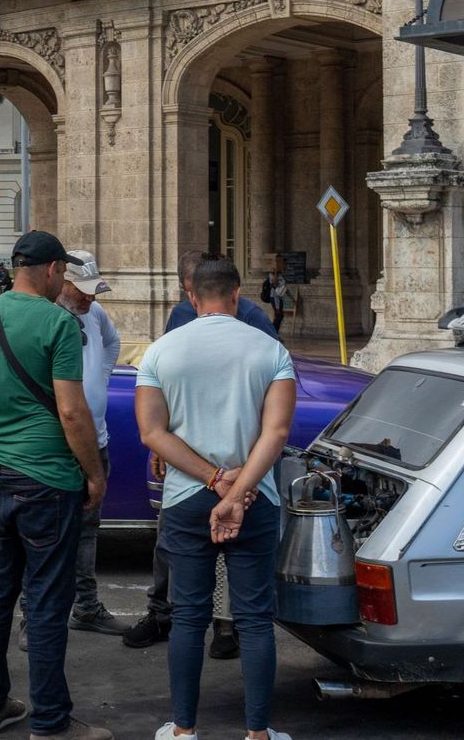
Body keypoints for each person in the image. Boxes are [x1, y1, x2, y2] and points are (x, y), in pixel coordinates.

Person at [0, 229, 113, 740]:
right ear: (53, 270)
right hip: (48, 480)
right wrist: (94, 474)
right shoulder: (59, 323)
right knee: (48, 601)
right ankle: (51, 721)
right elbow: (72, 412)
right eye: (63, 272)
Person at [136, 252, 298, 740]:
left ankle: (184, 730)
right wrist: (239, 488)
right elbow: (277, 432)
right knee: (255, 619)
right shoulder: (270, 350)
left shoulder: (161, 352)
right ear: (236, 295)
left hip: (188, 497)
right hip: (255, 499)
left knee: (189, 617)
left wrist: (214, 480)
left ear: (191, 296)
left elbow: (152, 432)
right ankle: (258, 733)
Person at [127, 249, 277, 656]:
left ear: (196, 292)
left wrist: (230, 479)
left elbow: (266, 411)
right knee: (178, 559)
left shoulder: (256, 323)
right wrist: (226, 479)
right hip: (206, 471)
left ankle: (225, 628)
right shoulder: (179, 321)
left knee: (220, 593)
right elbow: (164, 409)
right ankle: (162, 611)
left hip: (232, 470)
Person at [49, 250, 125, 637]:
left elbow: (112, 342)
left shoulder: (92, 313)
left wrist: (101, 378)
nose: (90, 297)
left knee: (87, 529)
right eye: (83, 290)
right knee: (46, 534)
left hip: (95, 437)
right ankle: (35, 614)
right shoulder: (46, 318)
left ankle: (86, 606)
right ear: (62, 282)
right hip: (56, 445)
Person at [258, 257, 288, 333]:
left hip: (279, 297)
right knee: (279, 315)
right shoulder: (272, 275)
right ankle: (272, 332)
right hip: (275, 298)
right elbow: (275, 284)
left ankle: (274, 333)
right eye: (284, 264)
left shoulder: (280, 275)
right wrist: (275, 272)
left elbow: (283, 287)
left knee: (279, 315)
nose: (285, 265)